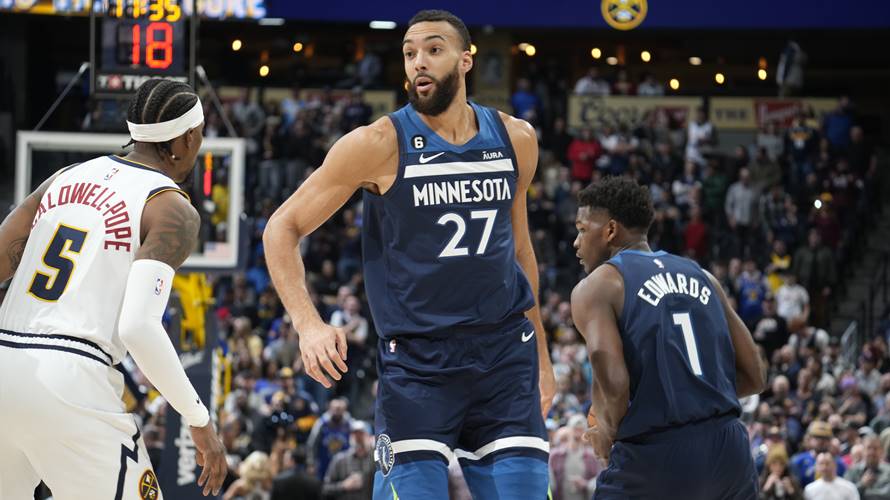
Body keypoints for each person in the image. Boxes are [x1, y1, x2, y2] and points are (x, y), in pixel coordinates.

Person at [263, 9, 555, 500]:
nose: (419, 62)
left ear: (465, 60)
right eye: (409, 53)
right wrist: (308, 324)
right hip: (418, 367)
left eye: (434, 50)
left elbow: (520, 251)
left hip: (505, 359)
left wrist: (542, 356)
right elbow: (281, 227)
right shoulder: (378, 144)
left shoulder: (516, 139)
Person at [0, 79, 227, 498]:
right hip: (72, 374)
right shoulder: (172, 208)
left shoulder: (63, 178)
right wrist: (198, 418)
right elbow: (138, 328)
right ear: (187, 138)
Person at [570, 175, 766, 499]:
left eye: (581, 229)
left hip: (657, 457)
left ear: (610, 230)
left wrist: (606, 431)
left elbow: (615, 386)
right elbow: (755, 375)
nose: (576, 243)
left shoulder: (598, 286)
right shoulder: (703, 276)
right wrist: (693, 399)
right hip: (731, 453)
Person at [844, 435, 890, 499]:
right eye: (868, 448)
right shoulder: (852, 471)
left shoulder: (888, 471)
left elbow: (887, 495)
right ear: (863, 451)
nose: (871, 452)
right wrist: (862, 485)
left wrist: (862, 493)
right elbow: (845, 494)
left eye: (875, 448)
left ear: (881, 451)